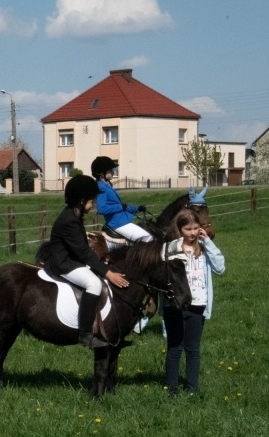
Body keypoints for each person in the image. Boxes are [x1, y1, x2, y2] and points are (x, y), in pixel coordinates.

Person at [44, 175, 130, 348]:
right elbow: (83, 253)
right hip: (64, 264)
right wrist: (108, 273)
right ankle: (85, 334)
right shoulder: (69, 221)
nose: (94, 204)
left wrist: (104, 262)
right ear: (82, 200)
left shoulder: (74, 216)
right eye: (92, 200)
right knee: (94, 284)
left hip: (72, 259)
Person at [162, 208, 225, 396]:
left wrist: (208, 242)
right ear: (179, 229)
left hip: (198, 304)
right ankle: (172, 389)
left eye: (196, 228)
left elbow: (220, 268)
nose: (192, 233)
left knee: (193, 349)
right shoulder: (171, 248)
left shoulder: (204, 247)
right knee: (174, 348)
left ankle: (192, 389)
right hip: (175, 305)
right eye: (188, 229)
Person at [91, 156, 153, 243]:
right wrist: (120, 207)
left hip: (122, 221)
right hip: (117, 223)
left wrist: (137, 208)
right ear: (102, 173)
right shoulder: (101, 187)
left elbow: (122, 206)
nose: (113, 172)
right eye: (110, 170)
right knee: (148, 238)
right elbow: (101, 209)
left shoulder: (107, 185)